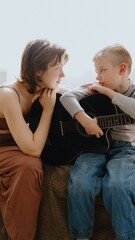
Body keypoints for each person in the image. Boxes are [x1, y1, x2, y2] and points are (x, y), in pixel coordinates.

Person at [60, 43, 135, 240]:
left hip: (126, 149)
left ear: (122, 69)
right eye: (96, 72)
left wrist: (109, 93)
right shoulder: (95, 87)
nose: (98, 77)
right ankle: (81, 236)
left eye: (102, 70)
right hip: (94, 146)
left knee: (117, 185)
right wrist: (83, 119)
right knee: (80, 184)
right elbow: (67, 97)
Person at [0, 39, 68, 240]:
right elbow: (33, 150)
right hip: (6, 147)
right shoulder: (7, 94)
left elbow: (74, 95)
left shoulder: (42, 90)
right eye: (58, 68)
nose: (62, 75)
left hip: (17, 145)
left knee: (34, 165)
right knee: (30, 166)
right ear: (38, 70)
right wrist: (48, 109)